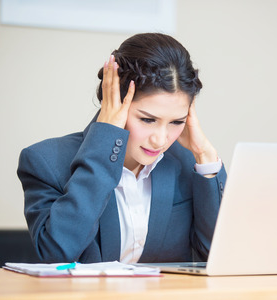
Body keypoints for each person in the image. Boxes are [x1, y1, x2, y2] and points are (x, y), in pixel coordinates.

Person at [17, 33, 227, 264]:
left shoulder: (189, 165)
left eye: (176, 122)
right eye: (147, 120)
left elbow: (219, 258)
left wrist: (204, 154)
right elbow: (57, 253)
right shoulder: (45, 162)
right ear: (113, 102)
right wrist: (105, 140)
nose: (160, 140)